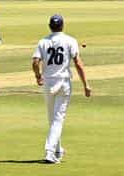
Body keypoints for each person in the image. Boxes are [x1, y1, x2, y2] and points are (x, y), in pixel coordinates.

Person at [32, 14, 91, 164]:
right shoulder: (70, 40)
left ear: (50, 26)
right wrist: (86, 84)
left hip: (48, 83)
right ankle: (50, 152)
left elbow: (35, 62)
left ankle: (57, 149)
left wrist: (38, 76)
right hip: (63, 82)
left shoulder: (43, 41)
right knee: (57, 120)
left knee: (52, 119)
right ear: (62, 26)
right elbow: (78, 63)